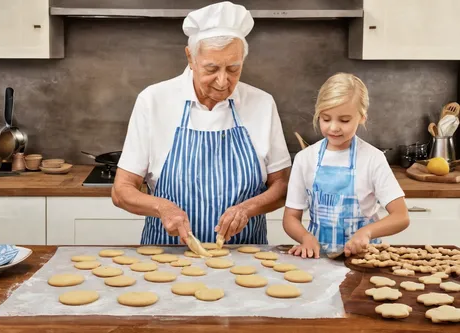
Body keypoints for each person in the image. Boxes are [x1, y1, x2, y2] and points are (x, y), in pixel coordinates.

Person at [112, 1, 291, 245]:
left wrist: (247, 209)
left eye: (233, 69)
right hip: (166, 258)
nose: (222, 81)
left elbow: (282, 184)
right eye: (211, 68)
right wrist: (162, 207)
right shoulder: (153, 101)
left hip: (245, 259)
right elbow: (121, 191)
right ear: (190, 57)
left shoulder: (262, 104)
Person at [283, 73, 410, 258]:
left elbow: (401, 216)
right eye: (326, 119)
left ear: (362, 118)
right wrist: (305, 237)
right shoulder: (305, 159)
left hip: (365, 259)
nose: (333, 127)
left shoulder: (372, 159)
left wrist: (367, 232)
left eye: (344, 120)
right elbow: (290, 218)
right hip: (318, 258)